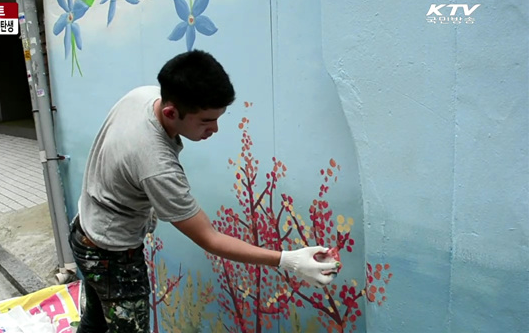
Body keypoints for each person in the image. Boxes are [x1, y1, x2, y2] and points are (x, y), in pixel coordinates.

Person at [69, 50, 340, 333]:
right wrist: (289, 260)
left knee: (95, 321)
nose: (215, 128)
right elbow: (209, 238)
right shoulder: (157, 165)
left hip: (85, 228)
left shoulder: (143, 96)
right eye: (206, 121)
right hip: (112, 254)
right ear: (171, 113)